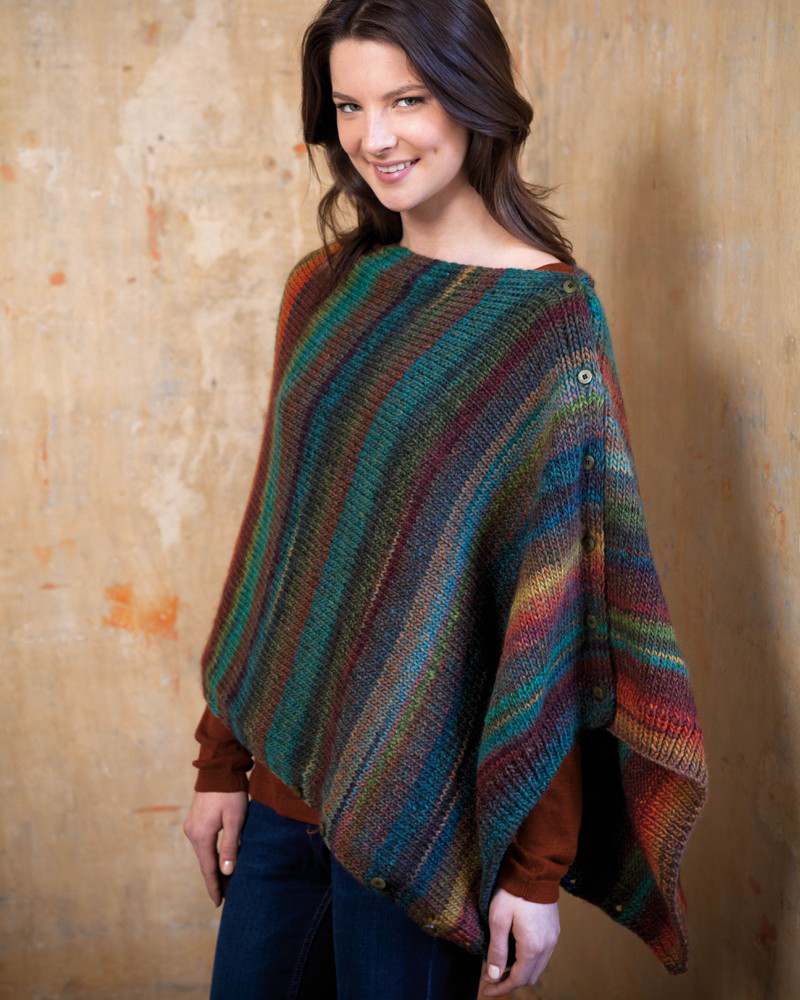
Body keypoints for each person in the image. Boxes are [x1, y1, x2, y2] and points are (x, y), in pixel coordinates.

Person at [182, 2, 709, 998]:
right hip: (282, 791)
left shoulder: (547, 326)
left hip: (427, 821)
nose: (374, 136)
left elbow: (556, 614)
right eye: (348, 106)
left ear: (473, 99)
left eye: (406, 99)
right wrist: (221, 762)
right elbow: (280, 540)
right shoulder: (324, 291)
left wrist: (535, 872)